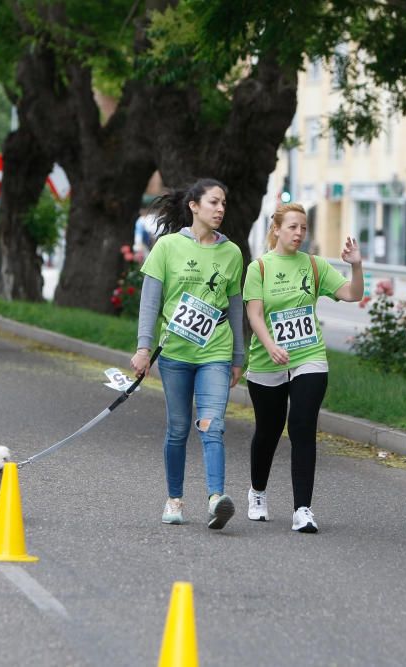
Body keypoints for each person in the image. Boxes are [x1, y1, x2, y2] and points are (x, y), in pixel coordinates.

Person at [129, 179, 244, 529]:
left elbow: (236, 307)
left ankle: (215, 499)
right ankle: (174, 499)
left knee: (213, 425)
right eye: (213, 202)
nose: (220, 209)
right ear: (194, 206)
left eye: (224, 203)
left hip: (216, 351)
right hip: (176, 353)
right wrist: (143, 349)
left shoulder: (232, 253)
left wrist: (239, 356)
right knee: (178, 428)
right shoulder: (166, 247)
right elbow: (150, 302)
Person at [243, 203, 364, 533]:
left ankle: (302, 509)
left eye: (303, 228)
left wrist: (356, 266)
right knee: (268, 431)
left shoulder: (315, 266)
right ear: (277, 229)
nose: (299, 233)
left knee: (302, 426)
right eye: (293, 227)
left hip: (309, 355)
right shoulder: (260, 268)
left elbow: (353, 294)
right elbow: (254, 314)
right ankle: (257, 492)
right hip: (268, 358)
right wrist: (271, 346)